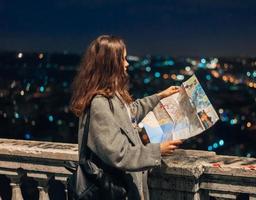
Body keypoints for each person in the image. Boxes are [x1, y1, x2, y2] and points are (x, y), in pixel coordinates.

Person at [69, 35, 182, 200]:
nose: (127, 63)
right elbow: (117, 153)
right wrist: (157, 151)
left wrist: (160, 96)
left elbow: (130, 112)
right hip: (111, 191)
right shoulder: (100, 103)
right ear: (110, 64)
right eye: (122, 59)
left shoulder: (112, 95)